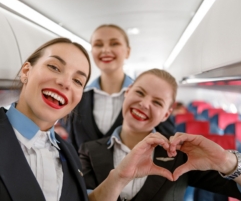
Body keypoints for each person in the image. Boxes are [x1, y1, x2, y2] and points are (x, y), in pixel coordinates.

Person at [0, 38, 173, 201]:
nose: (65, 82)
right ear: (26, 71)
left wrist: (120, 176)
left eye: (78, 80)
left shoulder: (68, 154)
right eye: (54, 67)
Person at [79, 69, 241, 201]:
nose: (145, 104)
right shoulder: (89, 149)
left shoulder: (179, 155)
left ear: (166, 114)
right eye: (139, 93)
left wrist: (225, 160)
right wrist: (119, 177)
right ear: (127, 93)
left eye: (157, 102)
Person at [65, 24, 175, 152]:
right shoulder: (77, 97)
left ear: (128, 51)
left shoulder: (149, 100)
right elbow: (72, 147)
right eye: (98, 45)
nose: (105, 50)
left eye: (114, 43)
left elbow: (167, 145)